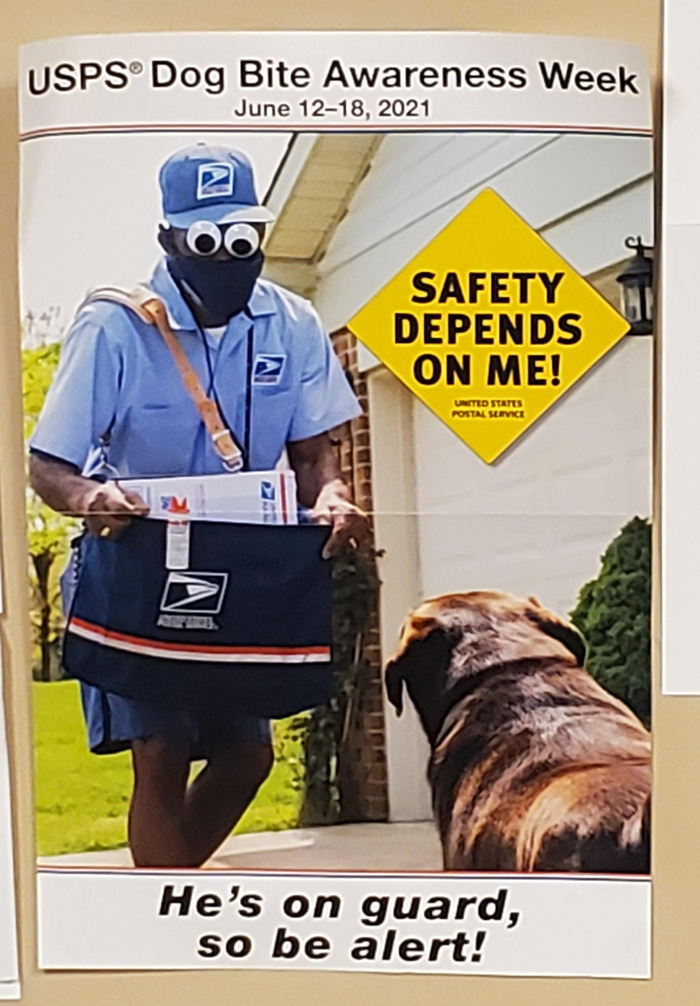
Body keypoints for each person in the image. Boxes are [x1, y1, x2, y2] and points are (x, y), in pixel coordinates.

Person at [29, 142, 368, 868]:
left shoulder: (293, 323)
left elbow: (315, 454)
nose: (229, 257)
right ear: (170, 238)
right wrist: (91, 497)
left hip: (243, 562)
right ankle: (168, 908)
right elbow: (47, 463)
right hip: (138, 561)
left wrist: (333, 497)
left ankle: (163, 897)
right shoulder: (113, 326)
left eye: (244, 237)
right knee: (162, 748)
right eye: (207, 240)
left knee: (247, 755)